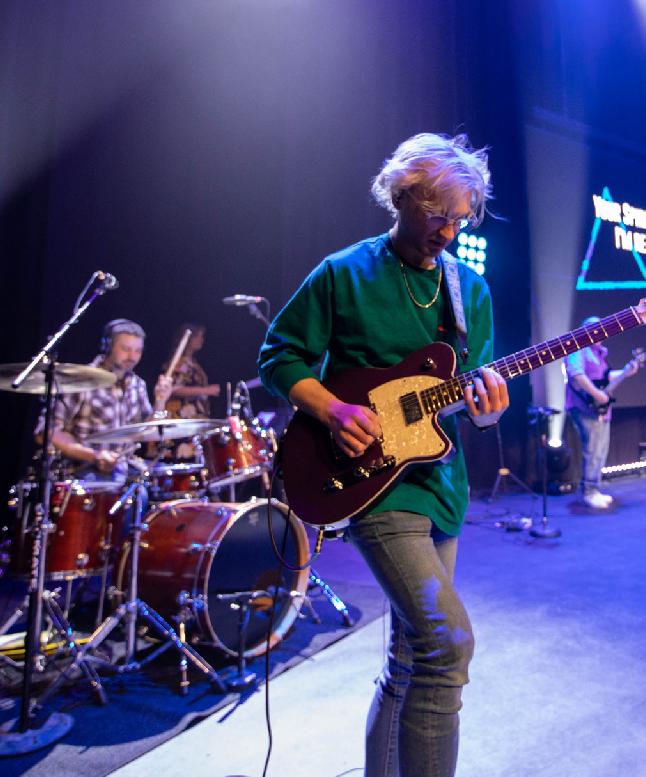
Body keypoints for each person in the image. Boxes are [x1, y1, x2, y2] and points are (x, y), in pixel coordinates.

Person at [258, 132, 509, 777]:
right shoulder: (344, 272)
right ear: (401, 198)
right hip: (374, 486)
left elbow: (474, 397)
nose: (448, 232)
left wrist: (489, 410)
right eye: (436, 215)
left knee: (408, 662)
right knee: (447, 646)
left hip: (441, 486)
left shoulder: (471, 291)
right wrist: (332, 409)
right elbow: (278, 356)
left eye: (460, 219)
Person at [36, 318, 173, 480]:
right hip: (84, 471)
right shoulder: (83, 381)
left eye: (138, 351)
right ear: (108, 346)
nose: (132, 356)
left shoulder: (137, 385)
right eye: (126, 349)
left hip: (124, 469)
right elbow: (46, 432)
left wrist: (160, 401)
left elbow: (148, 431)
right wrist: (94, 456)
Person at [564, 316, 639, 509]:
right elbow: (576, 374)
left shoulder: (599, 354)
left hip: (601, 410)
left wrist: (626, 371)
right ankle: (588, 492)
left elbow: (605, 378)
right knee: (592, 450)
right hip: (584, 407)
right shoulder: (578, 348)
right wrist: (597, 394)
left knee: (600, 450)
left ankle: (594, 489)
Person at [162, 323, 220, 460]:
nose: (202, 340)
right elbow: (173, 389)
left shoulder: (192, 362)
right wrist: (206, 390)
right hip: (183, 421)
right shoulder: (180, 363)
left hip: (194, 420)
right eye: (199, 336)